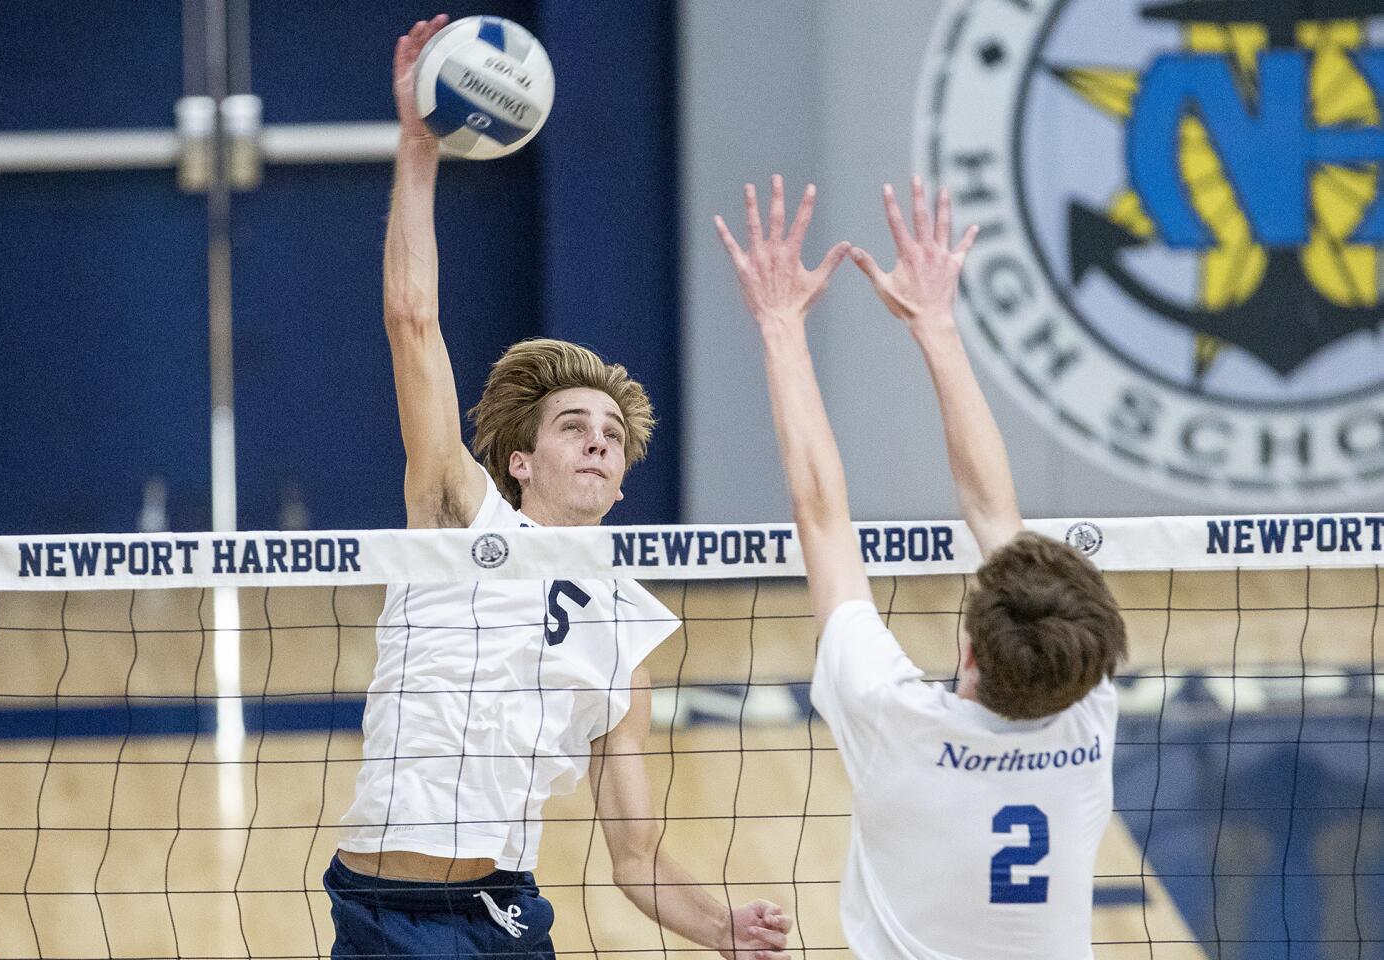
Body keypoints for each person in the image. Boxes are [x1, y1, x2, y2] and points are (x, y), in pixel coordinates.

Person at [324, 17, 793, 960]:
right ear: (521, 463)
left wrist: (722, 929)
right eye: (573, 426)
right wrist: (419, 149)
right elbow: (413, 323)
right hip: (385, 907)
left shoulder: (626, 629)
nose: (598, 443)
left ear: (620, 484)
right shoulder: (460, 515)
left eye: (613, 438)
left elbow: (637, 854)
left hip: (505, 912)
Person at [715, 174, 1127, 958]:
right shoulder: (1086, 712)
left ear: (969, 650)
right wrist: (933, 325)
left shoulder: (897, 721)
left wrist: (781, 325)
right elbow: (847, 524)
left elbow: (823, 513)